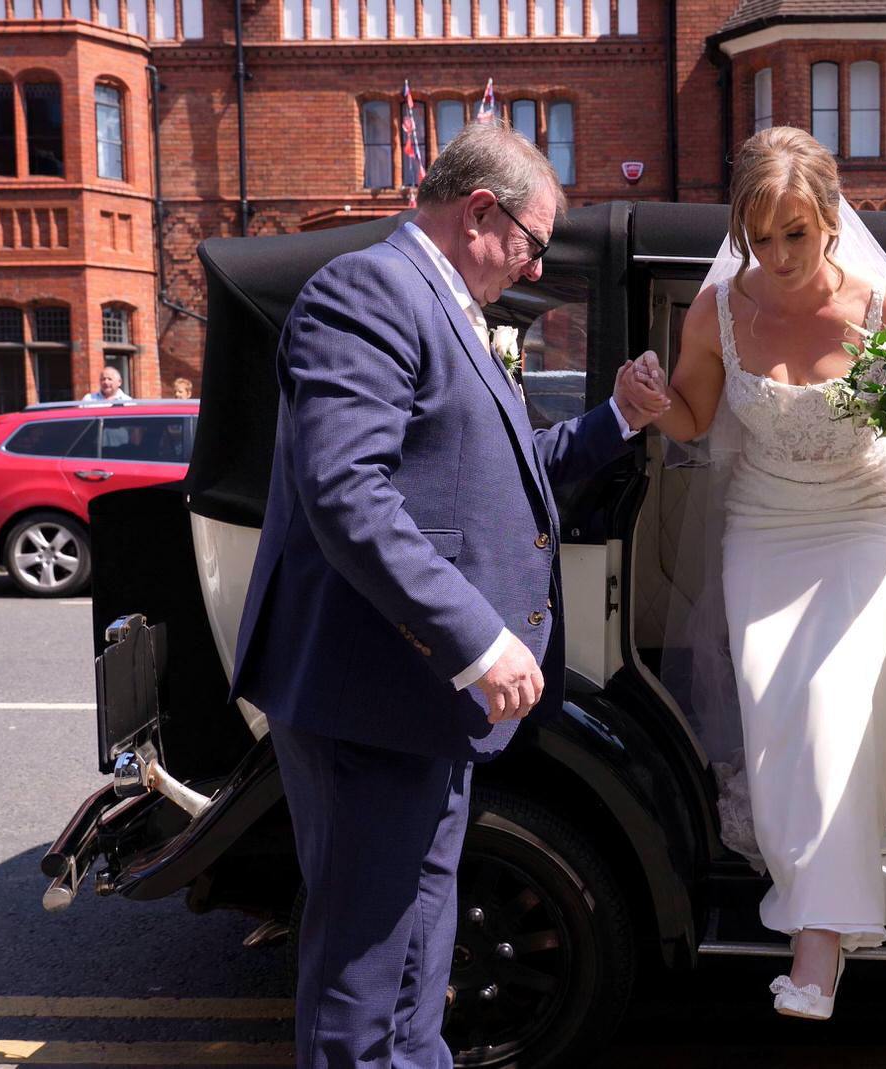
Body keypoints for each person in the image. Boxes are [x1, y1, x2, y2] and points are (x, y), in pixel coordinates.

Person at [226, 123, 670, 1069]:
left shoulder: (445, 303)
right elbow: (348, 491)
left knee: (419, 955)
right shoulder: (370, 291)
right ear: (480, 213)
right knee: (362, 972)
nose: (535, 265)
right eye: (533, 243)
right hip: (373, 695)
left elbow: (502, 477)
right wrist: (477, 637)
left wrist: (618, 418)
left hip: (419, 703)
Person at [640, 126, 886, 1020]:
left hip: (862, 522)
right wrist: (649, 403)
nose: (778, 256)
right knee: (775, 718)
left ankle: (817, 947)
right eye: (760, 235)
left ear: (831, 220)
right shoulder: (717, 311)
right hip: (765, 526)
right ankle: (815, 891)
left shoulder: (883, 309)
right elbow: (697, 419)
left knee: (836, 710)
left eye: (797, 233)